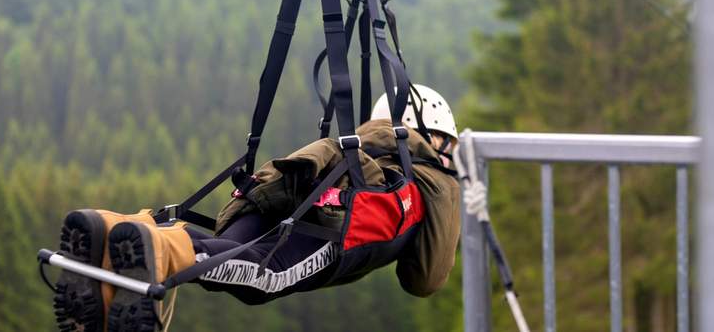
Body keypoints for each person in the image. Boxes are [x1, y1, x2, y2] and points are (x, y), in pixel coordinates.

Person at [52, 85, 461, 332]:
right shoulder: (435, 180)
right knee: (263, 274)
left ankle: (118, 227)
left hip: (285, 189)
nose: (454, 155)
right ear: (434, 138)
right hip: (337, 226)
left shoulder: (356, 148)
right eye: (451, 145)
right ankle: (163, 251)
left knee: (230, 250)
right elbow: (424, 279)